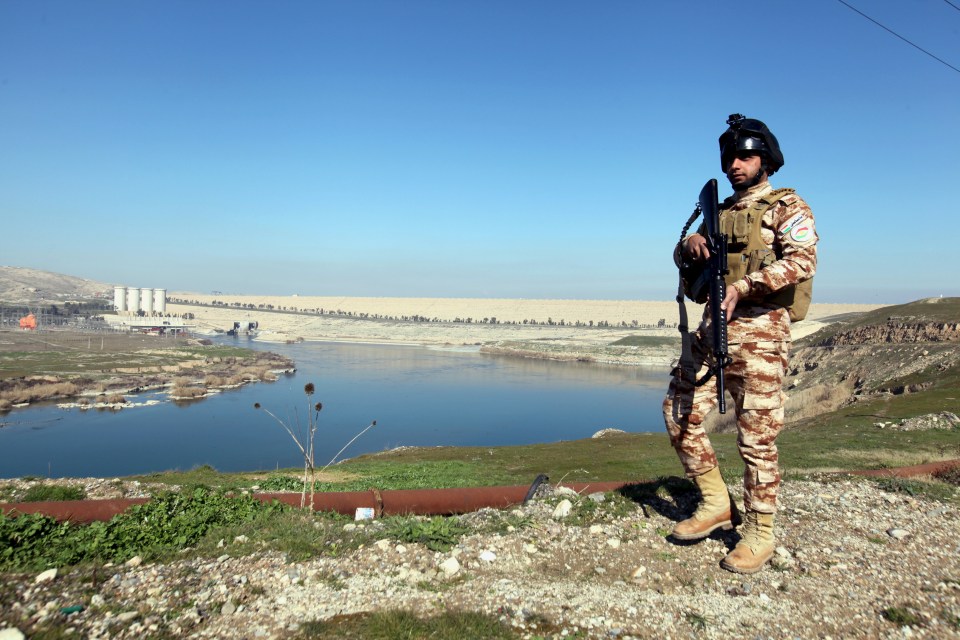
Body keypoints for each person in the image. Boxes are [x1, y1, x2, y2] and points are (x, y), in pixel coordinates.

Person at [662, 114, 818, 574]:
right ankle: (715, 503)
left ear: (765, 159)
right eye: (730, 157)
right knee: (679, 412)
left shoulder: (787, 206)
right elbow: (687, 265)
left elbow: (802, 261)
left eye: (745, 156)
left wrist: (746, 287)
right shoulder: (720, 211)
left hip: (762, 336)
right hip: (713, 332)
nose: (735, 164)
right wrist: (688, 243)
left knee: (757, 440)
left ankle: (760, 532)